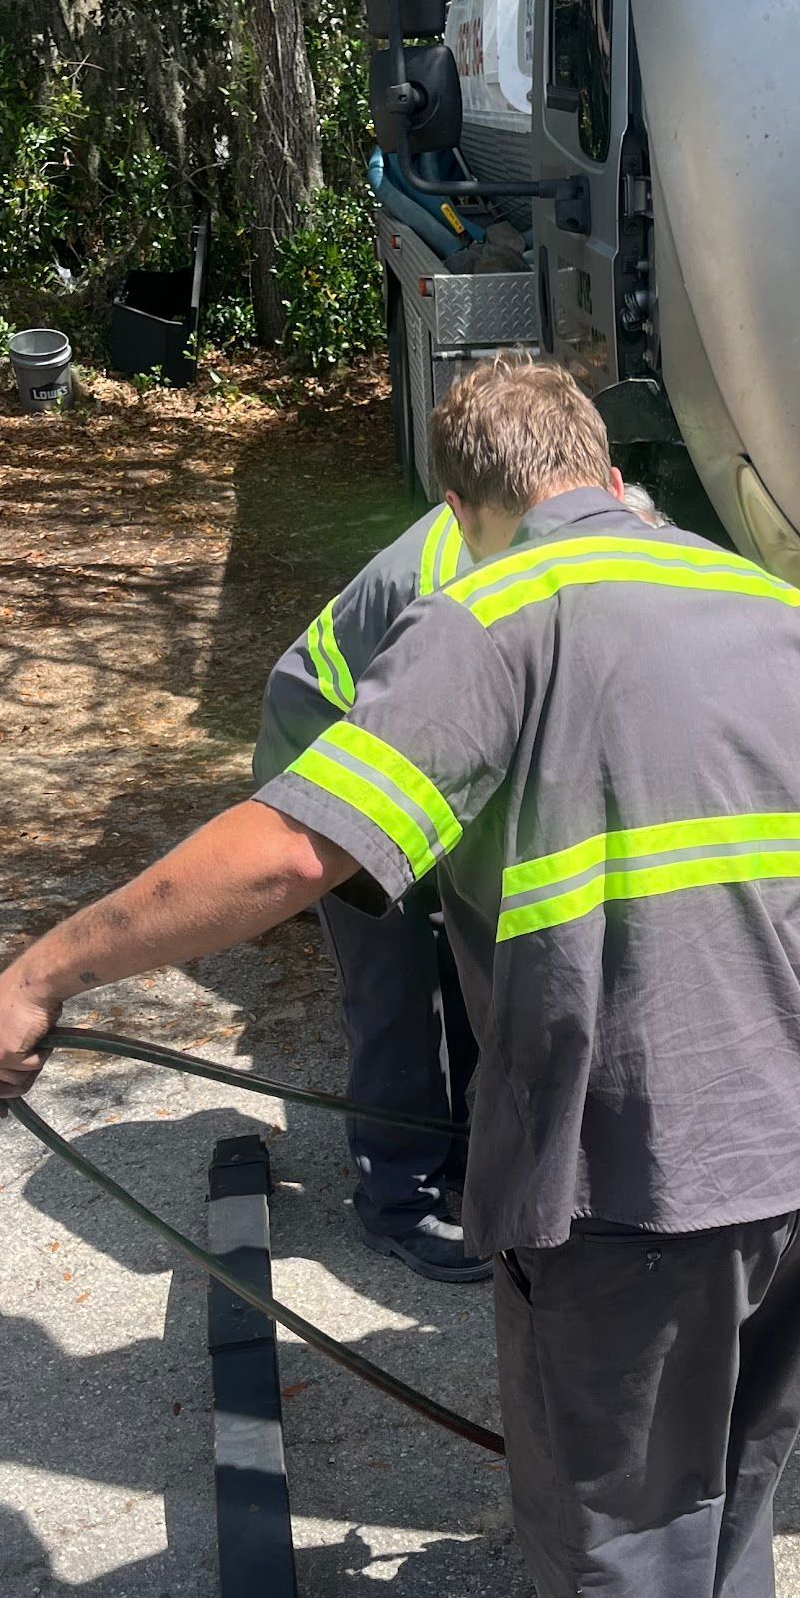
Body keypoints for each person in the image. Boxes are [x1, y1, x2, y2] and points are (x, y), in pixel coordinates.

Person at [0, 357, 800, 1598]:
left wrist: (46, 970)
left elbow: (294, 846)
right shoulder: (771, 612)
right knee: (720, 1464)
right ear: (609, 465)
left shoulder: (494, 610)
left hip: (632, 1165)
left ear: (463, 501)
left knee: (614, 1496)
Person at [255, 500, 486, 1281]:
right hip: (333, 749)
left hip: (412, 742)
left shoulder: (520, 533)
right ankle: (398, 1203)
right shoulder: (460, 585)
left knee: (463, 965)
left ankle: (462, 1165)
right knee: (397, 989)